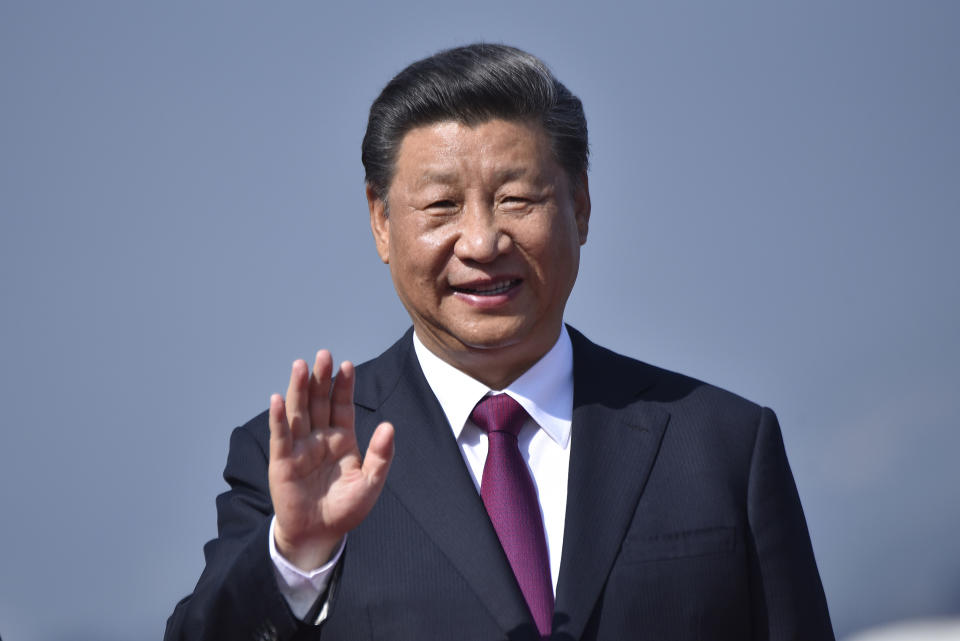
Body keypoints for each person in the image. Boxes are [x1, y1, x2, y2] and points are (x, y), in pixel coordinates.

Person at [165, 43, 834, 641]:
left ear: (580, 205)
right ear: (381, 221)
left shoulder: (721, 444)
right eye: (442, 207)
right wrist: (296, 560)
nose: (482, 242)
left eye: (517, 198)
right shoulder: (303, 458)